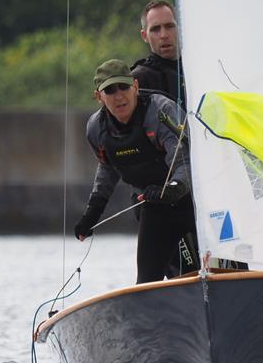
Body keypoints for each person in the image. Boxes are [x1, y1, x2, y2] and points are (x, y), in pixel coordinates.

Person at [74, 59, 198, 283]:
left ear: (136, 87)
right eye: (110, 90)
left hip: (193, 201)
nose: (119, 95)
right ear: (99, 96)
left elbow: (184, 161)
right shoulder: (96, 128)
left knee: (200, 270)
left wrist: (172, 188)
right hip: (154, 206)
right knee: (147, 281)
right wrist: (92, 214)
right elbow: (108, 168)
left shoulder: (161, 110)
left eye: (124, 87)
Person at [131, 0, 186, 109]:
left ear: (180, 28)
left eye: (169, 26)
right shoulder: (139, 79)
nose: (164, 35)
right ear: (144, 36)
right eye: (155, 29)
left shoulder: (196, 69)